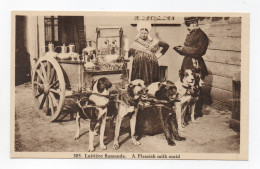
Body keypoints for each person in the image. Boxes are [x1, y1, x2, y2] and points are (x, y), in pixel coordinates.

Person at [173, 17, 209, 117]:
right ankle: (187, 109)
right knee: (187, 85)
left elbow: (200, 51)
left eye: (188, 25)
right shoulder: (191, 34)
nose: (187, 28)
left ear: (194, 23)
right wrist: (180, 49)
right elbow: (188, 49)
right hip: (187, 62)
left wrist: (184, 48)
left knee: (196, 87)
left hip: (195, 64)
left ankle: (197, 111)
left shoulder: (202, 35)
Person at [128, 21, 169, 85]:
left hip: (151, 66)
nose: (144, 35)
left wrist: (159, 55)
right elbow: (129, 53)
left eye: (145, 33)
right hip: (138, 68)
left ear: (148, 33)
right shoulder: (135, 43)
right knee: (138, 83)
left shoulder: (154, 41)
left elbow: (166, 46)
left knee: (152, 83)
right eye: (142, 33)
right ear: (139, 33)